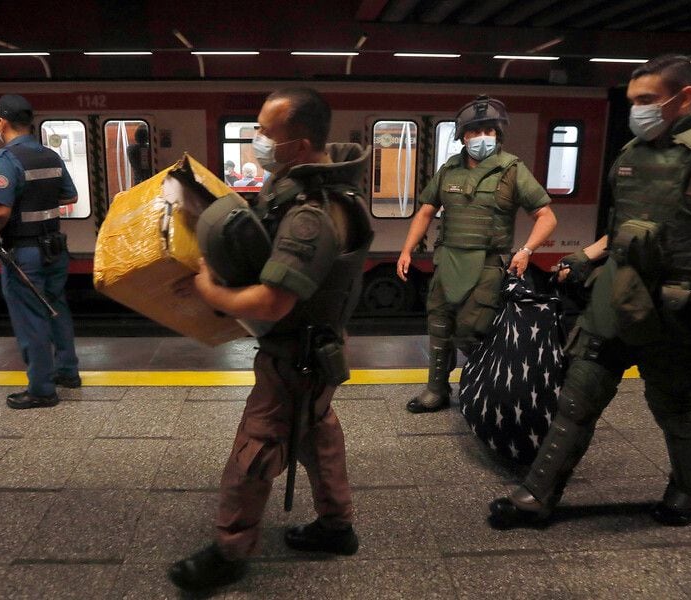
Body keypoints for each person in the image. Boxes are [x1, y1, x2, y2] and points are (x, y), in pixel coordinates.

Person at [489, 55, 691, 530]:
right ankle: (536, 494)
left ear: (684, 96)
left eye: (648, 100)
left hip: (679, 312)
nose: (638, 111)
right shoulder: (633, 155)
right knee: (577, 397)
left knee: (674, 409)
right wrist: (589, 254)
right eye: (633, 102)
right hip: (617, 298)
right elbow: (624, 228)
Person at [168, 87, 373, 592]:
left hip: (295, 355)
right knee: (318, 433)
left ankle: (230, 551)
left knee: (254, 450)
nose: (257, 140)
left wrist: (210, 291)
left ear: (299, 146)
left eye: (266, 132)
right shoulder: (324, 190)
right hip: (317, 349)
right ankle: (336, 526)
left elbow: (272, 303)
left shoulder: (310, 214)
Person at [397, 95, 557, 413]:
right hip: (447, 260)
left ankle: (485, 386)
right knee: (439, 324)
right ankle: (436, 390)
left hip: (487, 263)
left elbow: (547, 216)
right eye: (474, 131)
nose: (482, 137)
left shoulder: (512, 170)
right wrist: (407, 248)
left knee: (473, 331)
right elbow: (426, 210)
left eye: (489, 130)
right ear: (463, 136)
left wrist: (526, 250)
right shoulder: (449, 170)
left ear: (498, 134)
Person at [0, 94, 82, 409]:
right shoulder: (50, 156)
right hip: (54, 247)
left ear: (2, 121)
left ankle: (41, 389)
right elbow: (70, 195)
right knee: (55, 307)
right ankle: (68, 372)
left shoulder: (7, 158)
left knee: (31, 317)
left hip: (24, 252)